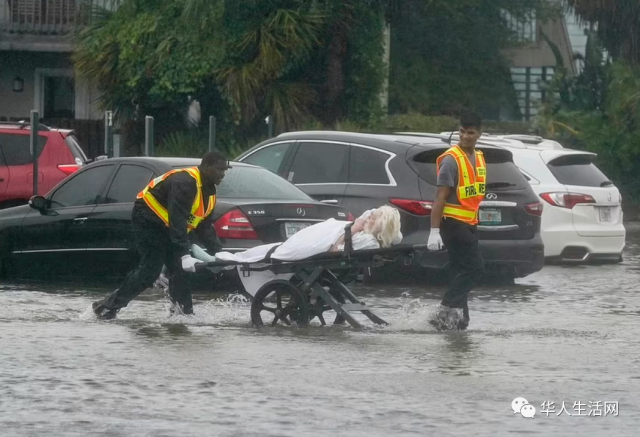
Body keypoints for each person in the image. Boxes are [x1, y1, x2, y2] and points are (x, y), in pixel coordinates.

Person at [91, 151, 231, 319]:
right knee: (150, 269)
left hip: (169, 227)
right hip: (147, 220)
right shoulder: (185, 182)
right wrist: (184, 253)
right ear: (206, 167)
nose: (223, 174)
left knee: (180, 271)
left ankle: (183, 315)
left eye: (225, 170)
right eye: (219, 169)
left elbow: (205, 227)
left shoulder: (209, 192)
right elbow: (177, 219)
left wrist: (219, 253)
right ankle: (106, 307)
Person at [427, 112, 486, 330]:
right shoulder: (451, 160)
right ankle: (443, 312)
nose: (466, 136)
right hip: (452, 224)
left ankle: (460, 321)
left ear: (479, 134)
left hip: (470, 223)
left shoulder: (479, 157)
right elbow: (440, 196)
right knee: (476, 268)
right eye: (462, 131)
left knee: (460, 270)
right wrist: (434, 230)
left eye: (471, 132)